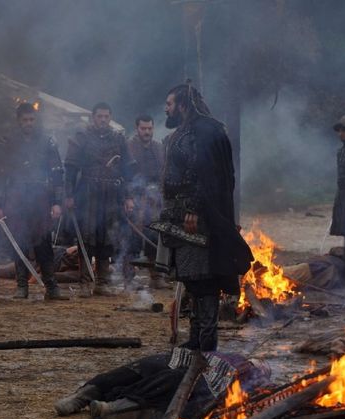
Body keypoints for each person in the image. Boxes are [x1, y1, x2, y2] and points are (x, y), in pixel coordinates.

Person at [156, 83, 252, 354]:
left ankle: (207, 342)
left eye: (170, 103)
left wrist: (194, 209)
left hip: (196, 216)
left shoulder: (203, 131)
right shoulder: (188, 130)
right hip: (181, 212)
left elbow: (204, 172)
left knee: (203, 277)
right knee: (191, 278)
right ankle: (197, 337)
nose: (166, 108)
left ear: (183, 104)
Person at [0, 103, 68, 300]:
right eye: (25, 120)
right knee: (19, 242)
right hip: (16, 198)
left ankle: (51, 287)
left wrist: (56, 202)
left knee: (44, 243)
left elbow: (57, 173)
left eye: (32, 119)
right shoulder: (8, 143)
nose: (29, 123)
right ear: (18, 121)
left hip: (40, 197)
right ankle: (22, 286)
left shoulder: (46, 142)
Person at [53, 352, 272, 418]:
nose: (260, 365)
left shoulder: (252, 380)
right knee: (144, 366)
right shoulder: (235, 355)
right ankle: (82, 396)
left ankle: (115, 407)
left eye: (263, 367)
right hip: (191, 359)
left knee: (174, 380)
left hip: (206, 377)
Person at [64, 102, 136, 297]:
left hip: (112, 195)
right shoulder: (82, 137)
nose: (103, 120)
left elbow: (127, 171)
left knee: (107, 238)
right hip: (87, 193)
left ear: (110, 117)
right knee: (86, 238)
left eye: (106, 116)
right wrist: (69, 195)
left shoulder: (119, 139)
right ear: (93, 117)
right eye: (99, 116)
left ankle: (102, 282)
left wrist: (128, 197)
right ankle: (85, 282)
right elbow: (70, 168)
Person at [126, 115, 166, 289]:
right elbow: (125, 175)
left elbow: (164, 173)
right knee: (132, 238)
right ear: (137, 128)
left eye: (149, 128)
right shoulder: (129, 147)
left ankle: (156, 276)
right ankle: (129, 277)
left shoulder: (159, 148)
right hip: (134, 199)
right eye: (143, 129)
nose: (147, 132)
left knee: (155, 236)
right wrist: (128, 197)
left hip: (155, 200)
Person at [330, 115, 345, 237]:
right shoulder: (341, 151)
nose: (340, 133)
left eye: (344, 130)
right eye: (339, 130)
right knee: (343, 224)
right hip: (343, 192)